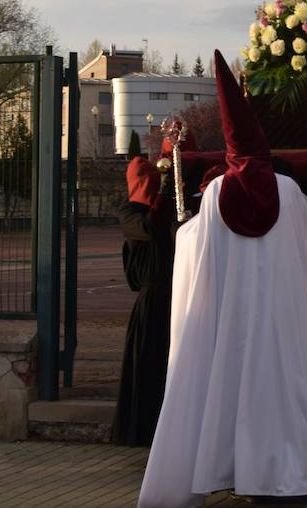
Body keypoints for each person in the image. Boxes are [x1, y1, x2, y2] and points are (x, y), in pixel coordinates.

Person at [138, 51, 307, 507]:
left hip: (230, 316)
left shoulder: (217, 193)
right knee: (282, 389)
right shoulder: (291, 191)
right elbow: (303, 246)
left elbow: (199, 250)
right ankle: (286, 477)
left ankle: (233, 470)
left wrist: (184, 230)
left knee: (226, 389)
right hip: (281, 316)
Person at [111, 153, 172, 447]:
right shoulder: (130, 212)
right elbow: (150, 228)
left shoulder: (166, 208)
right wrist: (163, 196)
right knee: (148, 365)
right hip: (152, 298)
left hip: (175, 295)